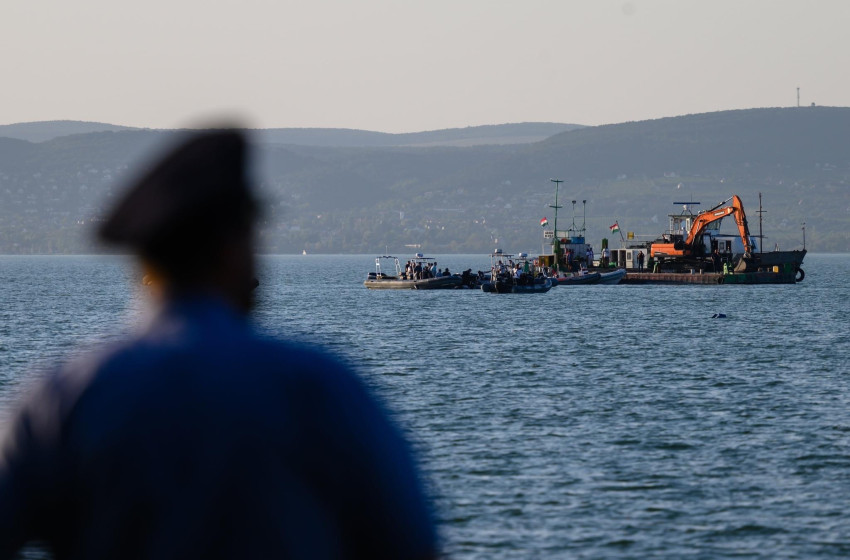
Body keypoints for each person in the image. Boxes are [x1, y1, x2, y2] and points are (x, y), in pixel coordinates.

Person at [0, 130, 437, 559]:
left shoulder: (62, 398)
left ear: (145, 261)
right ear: (232, 249)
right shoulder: (319, 388)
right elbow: (408, 540)